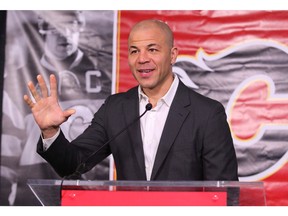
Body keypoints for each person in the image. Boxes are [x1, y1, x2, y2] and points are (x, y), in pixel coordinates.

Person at [24, 19, 238, 181]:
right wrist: (50, 132)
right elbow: (73, 164)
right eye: (134, 51)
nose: (142, 59)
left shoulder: (207, 114)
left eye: (152, 49)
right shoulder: (115, 109)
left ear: (173, 55)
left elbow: (224, 192)